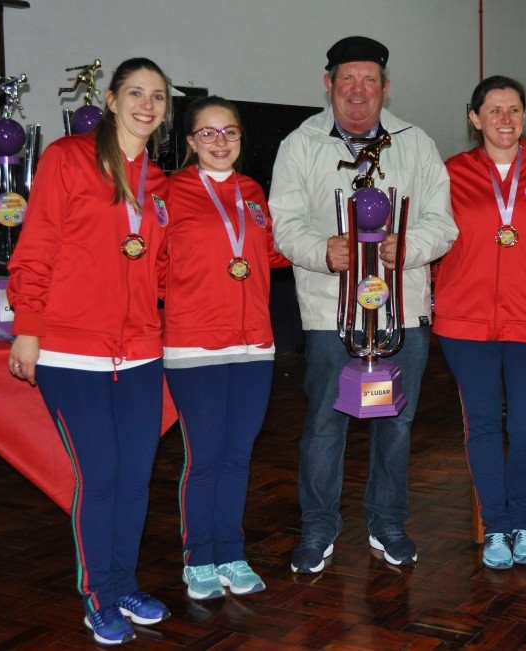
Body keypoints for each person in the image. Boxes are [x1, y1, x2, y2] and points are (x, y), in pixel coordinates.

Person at [269, 35, 457, 574]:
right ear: (327, 85)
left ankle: (388, 521)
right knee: (326, 424)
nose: (357, 91)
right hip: (332, 314)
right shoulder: (300, 144)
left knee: (395, 422)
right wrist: (321, 252)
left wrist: (409, 247)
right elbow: (285, 225)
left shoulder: (415, 143)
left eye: (368, 80)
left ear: (385, 87)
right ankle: (318, 526)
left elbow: (441, 223)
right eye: (346, 80)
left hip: (403, 313)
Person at [7, 57, 172, 645]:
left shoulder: (158, 180)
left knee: (135, 476)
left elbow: (156, 266)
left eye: (157, 96)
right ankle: (97, 594)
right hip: (72, 349)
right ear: (109, 99)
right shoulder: (68, 158)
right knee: (99, 473)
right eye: (135, 92)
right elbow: (39, 244)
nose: (147, 104)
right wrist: (28, 324)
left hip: (140, 353)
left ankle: (125, 582)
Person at [432, 75, 526, 569]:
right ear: (474, 118)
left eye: (514, 110)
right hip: (465, 323)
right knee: (481, 427)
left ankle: (525, 522)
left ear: (524, 117)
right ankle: (494, 525)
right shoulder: (450, 172)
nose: (505, 119)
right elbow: (430, 242)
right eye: (493, 110)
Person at [163, 96, 290, 600]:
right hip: (195, 346)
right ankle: (199, 559)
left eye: (230, 132)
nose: (221, 142)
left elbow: (271, 252)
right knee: (206, 455)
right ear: (191, 142)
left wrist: (330, 244)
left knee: (238, 455)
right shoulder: (168, 193)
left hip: (255, 344)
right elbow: (151, 265)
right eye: (208, 133)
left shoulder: (253, 191)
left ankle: (232, 553)